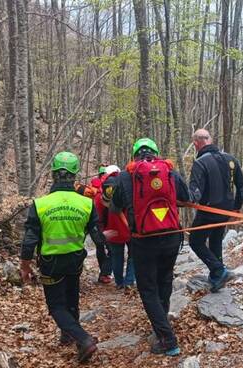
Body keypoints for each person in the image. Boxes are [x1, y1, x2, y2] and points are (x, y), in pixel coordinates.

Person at [20, 152, 110, 363]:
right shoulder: (86, 204)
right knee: (71, 299)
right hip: (75, 260)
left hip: (51, 263)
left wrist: (25, 264)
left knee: (56, 307)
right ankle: (69, 336)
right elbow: (97, 237)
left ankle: (82, 338)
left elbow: (31, 237)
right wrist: (105, 258)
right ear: (74, 175)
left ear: (53, 174)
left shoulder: (41, 204)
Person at [103, 138, 189, 356]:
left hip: (144, 240)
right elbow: (187, 198)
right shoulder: (170, 172)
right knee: (165, 279)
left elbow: (114, 207)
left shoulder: (125, 176)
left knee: (148, 288)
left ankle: (167, 338)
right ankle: (161, 324)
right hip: (171, 237)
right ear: (155, 153)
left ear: (135, 156)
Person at [188, 129, 243, 292]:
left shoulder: (200, 163)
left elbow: (195, 193)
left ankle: (219, 271)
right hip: (226, 210)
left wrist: (183, 199)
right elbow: (241, 188)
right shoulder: (231, 159)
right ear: (210, 140)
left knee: (195, 241)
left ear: (196, 144)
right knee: (215, 240)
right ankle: (217, 277)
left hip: (208, 210)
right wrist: (235, 208)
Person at [94, 164, 134, 290]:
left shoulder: (102, 191)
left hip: (113, 230)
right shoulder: (129, 183)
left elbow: (99, 214)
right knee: (133, 256)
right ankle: (129, 282)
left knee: (117, 256)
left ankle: (119, 282)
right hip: (130, 227)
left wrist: (102, 230)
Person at [75, 164, 112, 284]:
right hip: (100, 223)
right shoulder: (106, 187)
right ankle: (104, 274)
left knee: (98, 247)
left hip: (88, 221)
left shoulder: (91, 188)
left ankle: (76, 271)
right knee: (107, 248)